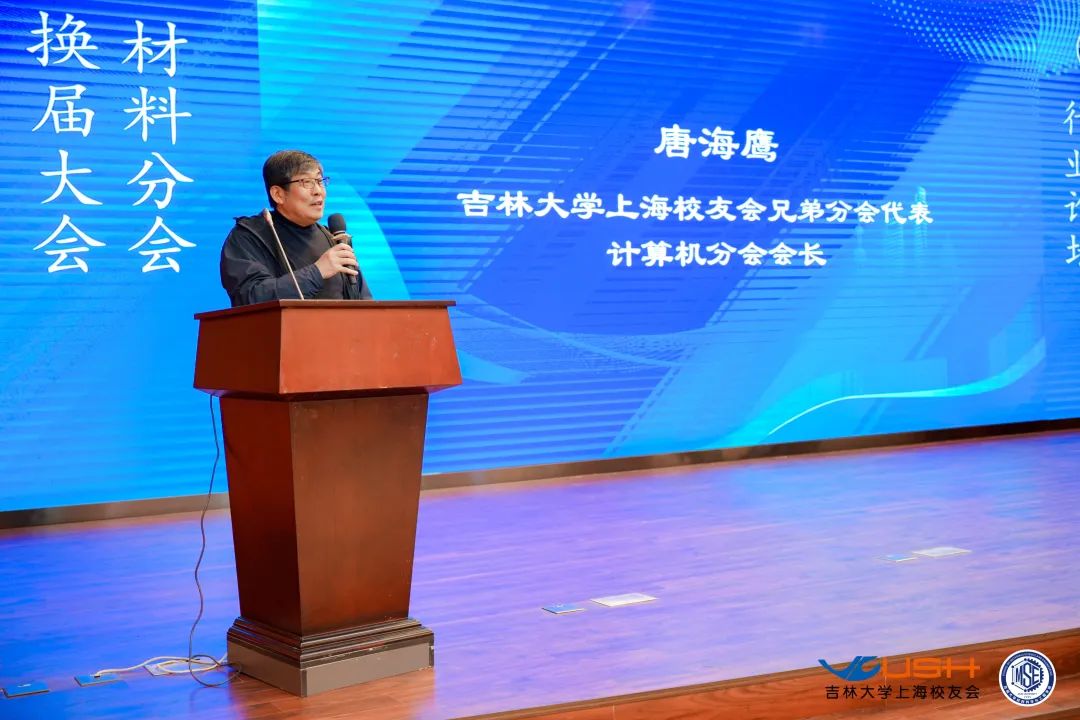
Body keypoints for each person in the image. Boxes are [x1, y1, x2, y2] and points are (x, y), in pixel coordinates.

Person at [220, 150, 372, 306]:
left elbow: (365, 303)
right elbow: (250, 296)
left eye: (320, 181)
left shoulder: (332, 238)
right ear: (278, 194)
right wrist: (317, 272)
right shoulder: (249, 236)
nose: (318, 191)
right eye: (307, 182)